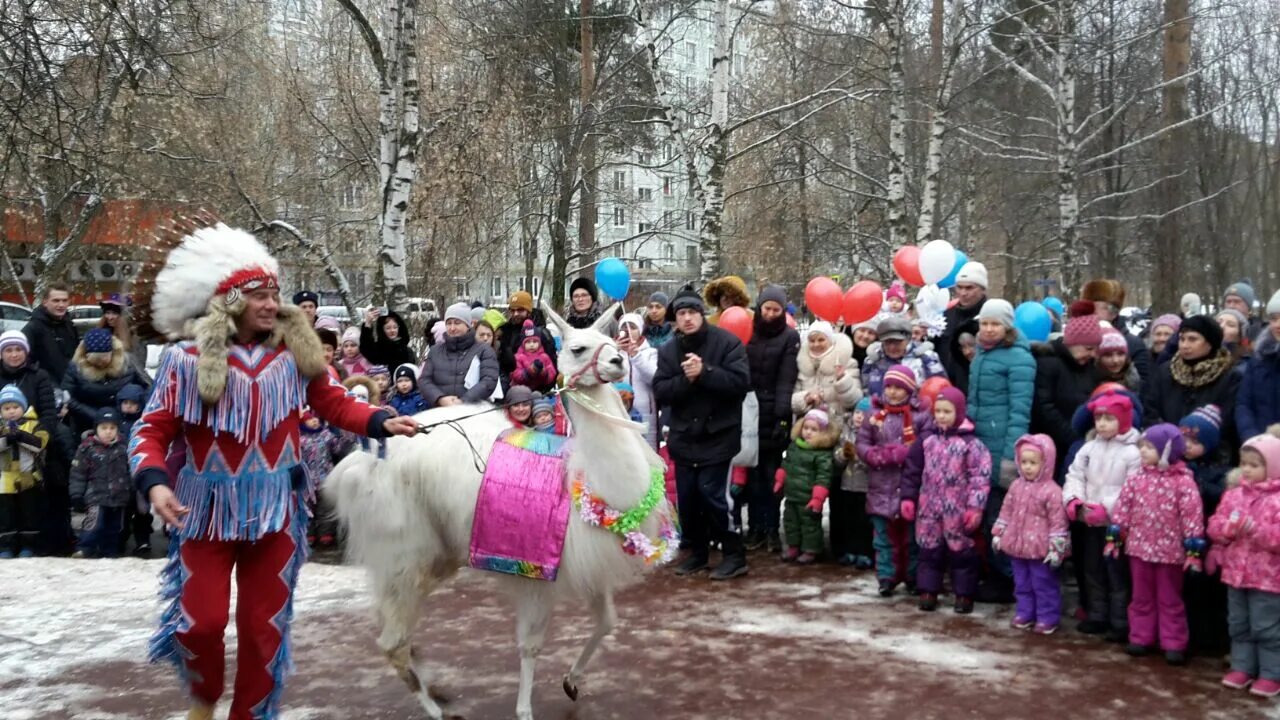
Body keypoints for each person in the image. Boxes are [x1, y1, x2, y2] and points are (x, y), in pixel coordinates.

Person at [129, 225, 418, 720]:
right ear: (231, 301)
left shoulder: (296, 356)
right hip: (204, 514)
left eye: (274, 295)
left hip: (278, 513)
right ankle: (204, 699)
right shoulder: (184, 359)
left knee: (265, 629)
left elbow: (333, 401)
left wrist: (377, 418)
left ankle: (250, 714)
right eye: (259, 296)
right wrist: (155, 482)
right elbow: (150, 430)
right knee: (200, 624)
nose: (271, 304)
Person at [653, 285, 751, 581]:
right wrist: (686, 378)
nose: (687, 318)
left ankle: (734, 555)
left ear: (702, 315)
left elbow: (740, 383)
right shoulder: (669, 349)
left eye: (692, 312)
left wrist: (705, 373)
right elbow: (661, 390)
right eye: (681, 313)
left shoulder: (727, 343)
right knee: (688, 499)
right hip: (684, 437)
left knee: (716, 498)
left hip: (719, 436)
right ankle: (697, 554)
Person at [1108, 424, 1204, 665]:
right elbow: (1123, 508)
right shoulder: (1136, 478)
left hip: (1170, 553)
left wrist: (1193, 549)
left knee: (1169, 598)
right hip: (1139, 549)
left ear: (1166, 451)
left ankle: (1173, 641)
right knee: (1141, 596)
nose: (1143, 451)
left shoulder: (1183, 482)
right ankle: (1141, 636)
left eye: (1150, 447)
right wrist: (1116, 536)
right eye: (1143, 446)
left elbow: (1192, 516)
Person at [966, 299, 1036, 601]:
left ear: (1007, 326)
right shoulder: (981, 354)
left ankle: (1008, 580)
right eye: (985, 324)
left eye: (995, 324)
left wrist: (1011, 456)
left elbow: (1020, 410)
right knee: (983, 517)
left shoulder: (1019, 358)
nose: (989, 329)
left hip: (1001, 449)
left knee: (999, 519)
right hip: (979, 444)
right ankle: (993, 574)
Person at [901, 386, 991, 614]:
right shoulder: (926, 440)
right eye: (938, 411)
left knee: (961, 553)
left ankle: (964, 594)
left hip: (957, 510)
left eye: (947, 412)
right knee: (928, 551)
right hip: (929, 507)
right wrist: (908, 498)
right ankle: (928, 590)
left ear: (958, 413)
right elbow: (912, 471)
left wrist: (975, 507)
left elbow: (980, 478)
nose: (941, 416)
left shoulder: (970, 444)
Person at [1063, 390, 1142, 642]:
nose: (1102, 424)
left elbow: (1132, 488)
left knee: (1117, 573)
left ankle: (1120, 621)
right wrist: (1074, 500)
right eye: (1098, 419)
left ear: (1124, 420)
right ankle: (1097, 614)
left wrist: (1106, 508)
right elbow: (1074, 475)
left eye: (1109, 419)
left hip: (1116, 526)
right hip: (1089, 521)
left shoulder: (1134, 452)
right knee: (1092, 569)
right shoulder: (1088, 448)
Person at [1208, 431, 1280, 697]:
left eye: (1255, 464)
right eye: (1244, 463)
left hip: (1269, 578)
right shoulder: (1234, 495)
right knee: (1239, 623)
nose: (1247, 470)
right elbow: (1215, 525)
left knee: (1266, 627)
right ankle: (1242, 667)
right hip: (1235, 573)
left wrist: (1254, 529)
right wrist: (1224, 530)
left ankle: (1271, 673)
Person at [857, 364, 927, 596]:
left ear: (909, 390)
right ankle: (886, 576)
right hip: (881, 486)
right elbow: (863, 443)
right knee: (883, 539)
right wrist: (875, 455)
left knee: (911, 539)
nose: (893, 392)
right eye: (890, 387)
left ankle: (912, 575)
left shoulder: (919, 416)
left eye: (899, 388)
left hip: (909, 487)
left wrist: (907, 454)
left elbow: (925, 444)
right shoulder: (874, 415)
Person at [743, 285, 800, 553]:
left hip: (773, 413)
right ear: (760, 307)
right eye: (767, 308)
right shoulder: (748, 331)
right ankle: (755, 528)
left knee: (772, 476)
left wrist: (782, 417)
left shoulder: (789, 337)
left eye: (776, 310)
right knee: (752, 477)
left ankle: (771, 529)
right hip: (748, 411)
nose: (770, 314)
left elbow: (786, 379)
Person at [993, 434, 1069, 635]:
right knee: (1022, 583)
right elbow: (1006, 510)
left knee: (1043, 584)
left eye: (1033, 463)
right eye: (1024, 462)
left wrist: (1057, 547)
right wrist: (999, 532)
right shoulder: (1016, 486)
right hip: (1017, 546)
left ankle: (1047, 616)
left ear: (1046, 463)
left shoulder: (1052, 491)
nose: (1027, 467)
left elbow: (1058, 522)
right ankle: (1025, 612)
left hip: (1040, 549)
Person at [1144, 316, 1241, 448]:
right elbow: (1151, 410)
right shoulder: (1165, 372)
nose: (1184, 345)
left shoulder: (1229, 376)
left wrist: (1197, 443)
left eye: (1192, 339)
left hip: (1209, 454)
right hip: (1166, 450)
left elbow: (1227, 423)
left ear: (1210, 343)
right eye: (1182, 339)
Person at [1032, 300, 1102, 478]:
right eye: (1089, 348)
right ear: (1073, 343)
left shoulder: (1090, 368)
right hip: (1054, 448)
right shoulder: (1049, 363)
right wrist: (1073, 437)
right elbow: (1044, 408)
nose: (1093, 354)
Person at [774, 408, 837, 564]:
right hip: (791, 494)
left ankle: (811, 549)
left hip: (808, 497)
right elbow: (786, 464)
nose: (808, 432)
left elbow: (824, 476)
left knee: (810, 525)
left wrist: (818, 498)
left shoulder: (822, 453)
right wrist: (780, 480)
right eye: (806, 428)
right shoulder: (795, 446)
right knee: (790, 521)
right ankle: (793, 546)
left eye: (814, 430)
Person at [61, 328, 150, 438]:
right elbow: (67, 397)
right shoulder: (76, 367)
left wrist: (135, 408)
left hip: (125, 419)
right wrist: (95, 414)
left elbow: (147, 387)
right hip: (87, 421)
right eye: (96, 360)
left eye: (104, 359)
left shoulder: (127, 363)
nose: (100, 364)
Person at [69, 408, 130, 558]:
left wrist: (134, 491)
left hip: (119, 496)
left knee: (114, 527)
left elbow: (131, 472)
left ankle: (109, 552)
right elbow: (78, 473)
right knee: (94, 524)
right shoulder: (87, 448)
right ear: (96, 428)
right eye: (104, 428)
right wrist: (76, 494)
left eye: (112, 428)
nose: (108, 432)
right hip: (95, 496)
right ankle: (84, 548)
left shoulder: (124, 447)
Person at [418, 303, 500, 408]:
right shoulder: (435, 351)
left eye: (457, 323)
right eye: (448, 323)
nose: (452, 328)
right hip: (441, 411)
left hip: (474, 410)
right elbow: (424, 380)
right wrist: (440, 398)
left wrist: (464, 401)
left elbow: (489, 380)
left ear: (468, 325)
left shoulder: (484, 350)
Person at [0, 385, 48, 557]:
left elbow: (40, 444)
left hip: (28, 476)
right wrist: (6, 439)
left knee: (29, 514)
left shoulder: (34, 424)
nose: (11, 411)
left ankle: (28, 546)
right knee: (6, 516)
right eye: (6, 408)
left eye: (15, 407)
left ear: (23, 407)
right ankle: (6, 547)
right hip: (4, 479)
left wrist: (20, 436)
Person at [1079, 279, 1152, 386]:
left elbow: (1144, 387)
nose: (1089, 312)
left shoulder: (1133, 344)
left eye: (1095, 307)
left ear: (1113, 312)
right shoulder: (1077, 343)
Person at [833, 396, 874, 569]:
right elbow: (836, 457)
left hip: (865, 486)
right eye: (857, 412)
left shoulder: (874, 435)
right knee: (848, 519)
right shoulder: (845, 431)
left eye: (863, 414)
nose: (858, 417)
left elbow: (874, 461)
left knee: (863, 521)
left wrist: (859, 457)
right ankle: (849, 550)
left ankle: (864, 552)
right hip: (847, 484)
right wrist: (842, 455)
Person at [861, 315, 946, 398]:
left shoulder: (927, 358)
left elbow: (941, 390)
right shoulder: (873, 360)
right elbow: (866, 391)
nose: (892, 347)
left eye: (897, 342)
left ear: (908, 339)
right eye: (887, 342)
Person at [791, 321, 862, 417]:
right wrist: (806, 398)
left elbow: (854, 401)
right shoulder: (802, 364)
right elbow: (793, 404)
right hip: (809, 426)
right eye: (812, 341)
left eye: (821, 340)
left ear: (830, 340)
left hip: (836, 424)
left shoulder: (847, 362)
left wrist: (842, 379)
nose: (816, 344)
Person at [936, 262, 988, 392]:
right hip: (947, 392)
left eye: (969, 288)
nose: (963, 293)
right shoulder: (946, 316)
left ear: (982, 289)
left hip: (978, 392)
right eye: (959, 287)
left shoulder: (991, 317)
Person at [1238, 291, 1280, 443]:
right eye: (1274, 319)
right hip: (1261, 449)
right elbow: (1244, 404)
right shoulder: (1258, 359)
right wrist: (1252, 438)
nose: (1278, 324)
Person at [497, 291, 557, 389]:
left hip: (538, 388)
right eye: (512, 310)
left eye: (520, 310)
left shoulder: (541, 333)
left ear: (528, 311)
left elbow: (552, 364)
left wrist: (544, 387)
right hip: (509, 386)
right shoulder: (505, 331)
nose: (515, 314)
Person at [23, 282, 78, 386]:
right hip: (46, 389)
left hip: (71, 387)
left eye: (64, 300)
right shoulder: (33, 328)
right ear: (45, 302)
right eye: (56, 301)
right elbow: (25, 362)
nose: (61, 305)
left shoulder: (69, 325)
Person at [618, 313, 659, 448]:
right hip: (619, 410)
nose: (629, 330)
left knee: (647, 452)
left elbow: (654, 378)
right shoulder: (613, 353)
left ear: (640, 330)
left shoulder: (651, 353)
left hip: (645, 411)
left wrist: (636, 356)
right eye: (624, 327)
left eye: (633, 327)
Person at [511, 319, 558, 393]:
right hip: (520, 390)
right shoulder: (518, 357)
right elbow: (515, 374)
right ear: (523, 344)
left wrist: (544, 373)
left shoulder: (544, 357)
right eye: (528, 342)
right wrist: (528, 372)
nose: (532, 344)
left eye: (535, 341)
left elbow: (552, 372)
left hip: (539, 390)